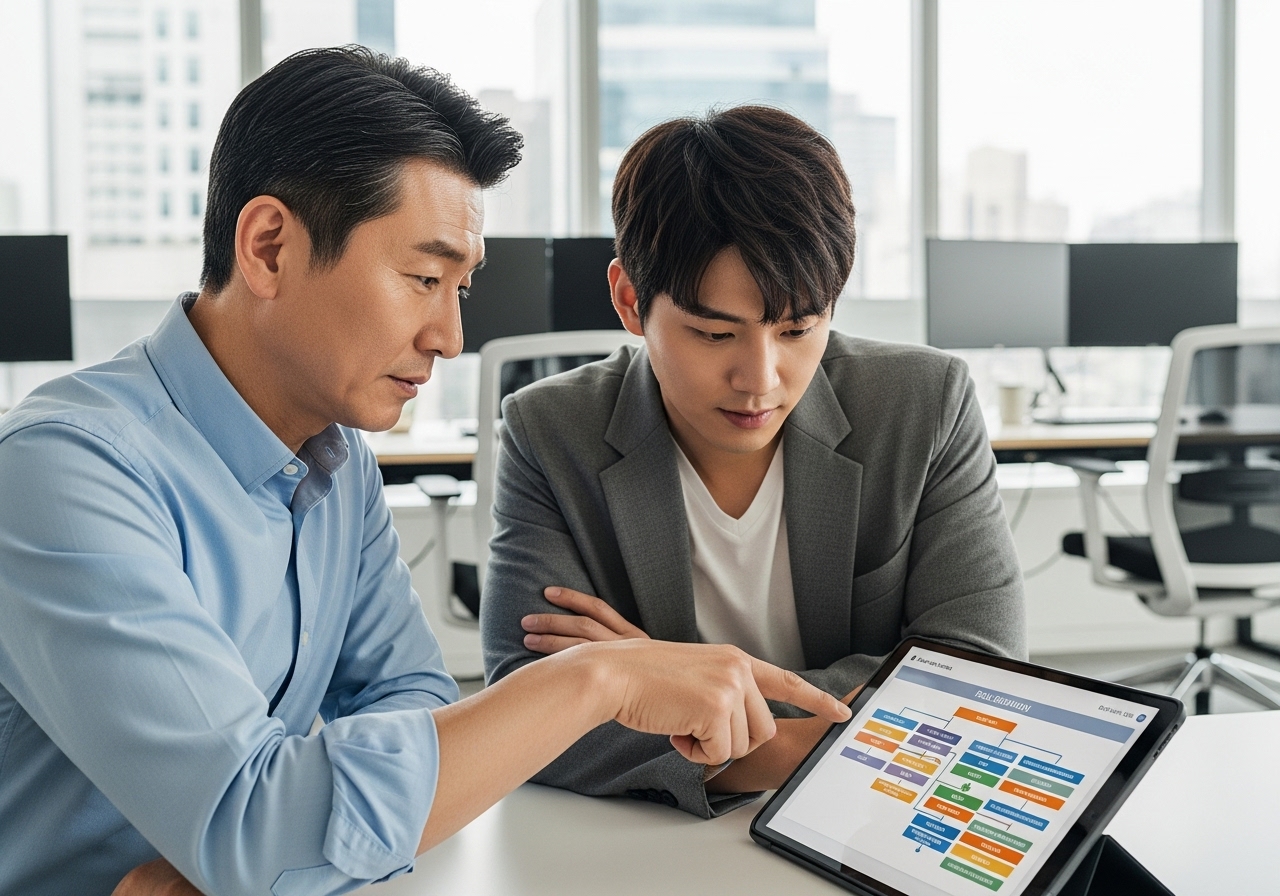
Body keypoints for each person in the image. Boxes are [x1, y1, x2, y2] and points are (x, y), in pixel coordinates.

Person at [0, 50, 850, 896]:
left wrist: (289, 843)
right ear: (267, 247)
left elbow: (412, 709)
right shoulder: (64, 472)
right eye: (422, 278)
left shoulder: (340, 468)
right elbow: (261, 828)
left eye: (462, 288)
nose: (449, 334)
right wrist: (601, 677)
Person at [480, 105, 1027, 819]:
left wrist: (648, 681)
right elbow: (525, 707)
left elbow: (973, 672)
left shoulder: (925, 405)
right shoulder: (551, 430)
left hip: (873, 827)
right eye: (714, 333)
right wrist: (806, 739)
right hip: (655, 845)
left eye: (799, 328)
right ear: (629, 301)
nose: (762, 378)